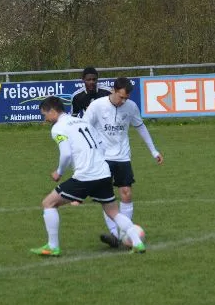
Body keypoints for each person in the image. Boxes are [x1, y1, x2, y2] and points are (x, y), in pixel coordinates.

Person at [31, 96, 146, 256]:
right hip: (103, 172)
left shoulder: (58, 128)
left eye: (45, 114)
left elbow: (66, 154)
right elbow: (101, 145)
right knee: (113, 212)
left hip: (85, 176)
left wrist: (59, 172)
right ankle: (137, 243)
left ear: (52, 111)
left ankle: (52, 246)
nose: (45, 119)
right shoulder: (82, 122)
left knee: (48, 203)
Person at [83, 77, 163, 248]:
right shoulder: (97, 106)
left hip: (123, 157)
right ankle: (115, 234)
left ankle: (122, 234)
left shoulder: (131, 107)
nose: (123, 101)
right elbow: (84, 128)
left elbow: (140, 127)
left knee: (126, 193)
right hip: (102, 157)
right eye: (121, 97)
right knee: (107, 197)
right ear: (113, 90)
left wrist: (154, 150)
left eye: (126, 98)